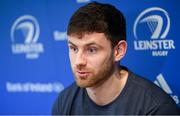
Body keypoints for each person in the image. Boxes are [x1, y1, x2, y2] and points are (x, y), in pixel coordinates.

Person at [52, 1, 180, 115]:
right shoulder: (64, 101)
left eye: (91, 50)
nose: (78, 61)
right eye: (74, 48)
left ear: (118, 51)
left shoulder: (156, 108)